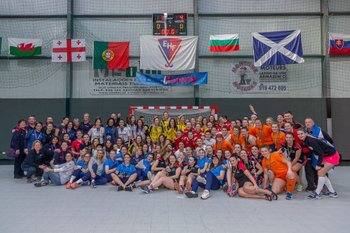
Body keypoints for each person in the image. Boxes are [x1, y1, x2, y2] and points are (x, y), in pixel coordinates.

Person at [297, 129, 339, 199]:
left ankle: (317, 193)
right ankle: (332, 192)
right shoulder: (306, 140)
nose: (300, 135)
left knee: (321, 172)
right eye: (298, 134)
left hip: (332, 155)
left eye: (302, 133)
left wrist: (318, 164)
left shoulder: (310, 141)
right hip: (326, 156)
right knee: (321, 173)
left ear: (306, 134)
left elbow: (320, 153)